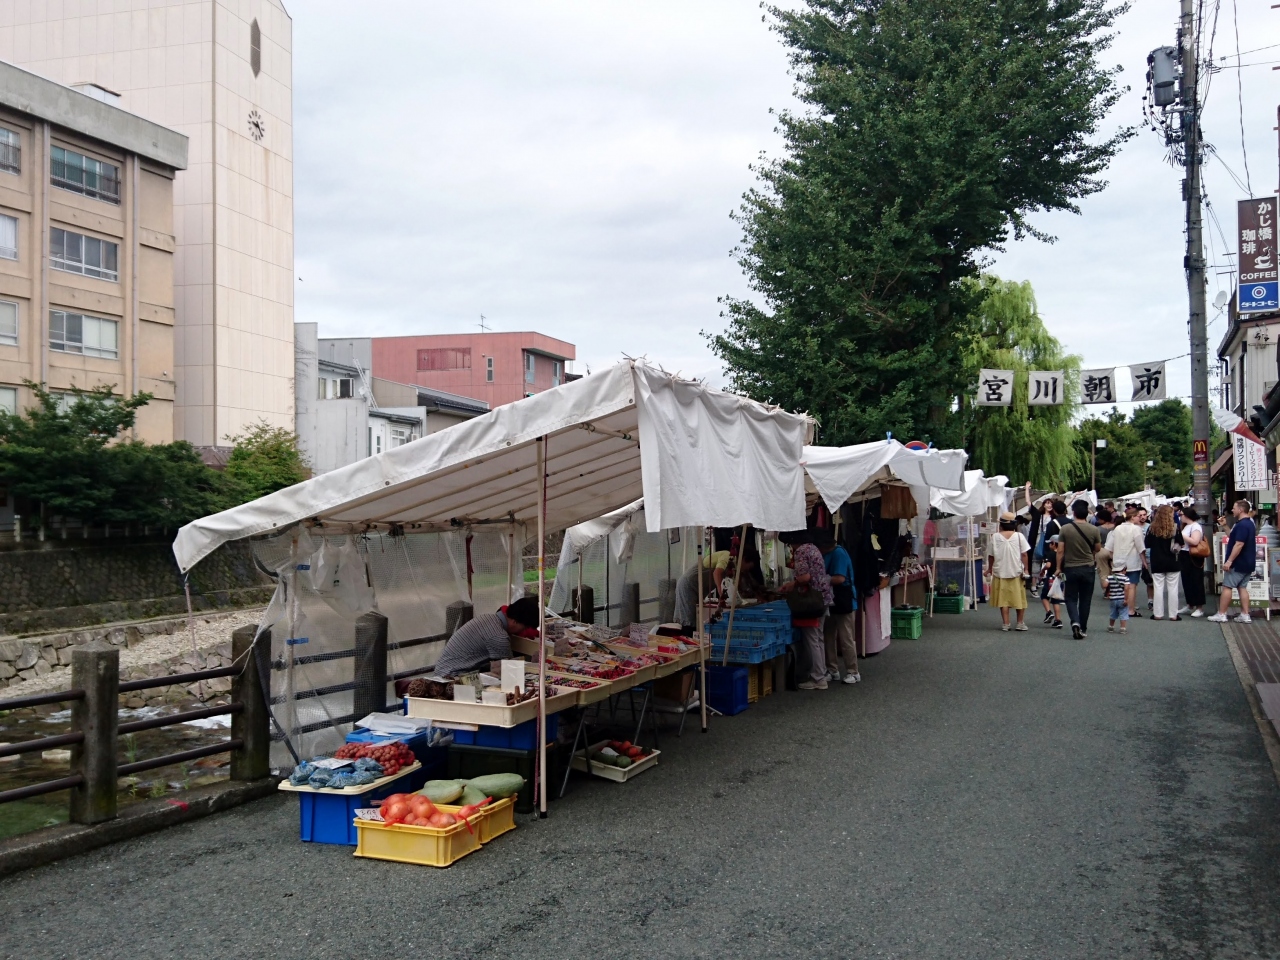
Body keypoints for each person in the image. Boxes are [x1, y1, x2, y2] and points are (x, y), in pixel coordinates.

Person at [433, 597, 542, 677]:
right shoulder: (499, 636)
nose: (523, 631)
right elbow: (509, 670)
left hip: (443, 670)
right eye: (524, 627)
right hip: (452, 676)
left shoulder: (488, 618)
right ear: (514, 621)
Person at [779, 530, 833, 690]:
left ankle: (818, 678)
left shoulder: (801, 551)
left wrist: (792, 584)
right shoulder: (813, 548)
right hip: (823, 597)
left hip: (811, 601)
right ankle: (821, 672)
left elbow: (805, 577)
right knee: (819, 637)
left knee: (812, 639)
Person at [1055, 499, 1102, 639]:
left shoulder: (1065, 529)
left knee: (1070, 598)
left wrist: (1058, 568)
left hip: (1070, 568)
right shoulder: (1094, 529)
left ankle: (1075, 621)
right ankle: (1083, 627)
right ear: (1087, 513)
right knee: (1085, 600)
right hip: (1088, 568)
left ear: (1073, 512)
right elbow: (1098, 549)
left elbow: (1060, 551)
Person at [818, 532, 860, 684]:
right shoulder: (829, 553)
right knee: (828, 636)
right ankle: (832, 669)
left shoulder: (839, 553)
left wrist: (821, 579)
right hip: (831, 599)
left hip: (844, 599)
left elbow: (839, 578)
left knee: (846, 637)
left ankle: (853, 671)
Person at [1209, 499, 1257, 623]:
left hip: (1238, 562)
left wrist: (1229, 561)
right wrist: (1224, 526)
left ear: (1240, 510)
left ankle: (1222, 614)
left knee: (1227, 587)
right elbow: (1233, 537)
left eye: (1234, 508)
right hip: (1248, 562)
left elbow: (1239, 544)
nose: (1232, 510)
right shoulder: (1249, 523)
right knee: (1242, 588)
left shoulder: (1242, 525)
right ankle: (1245, 614)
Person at [985, 511, 1031, 631]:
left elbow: (991, 555)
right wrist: (1026, 569)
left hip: (1000, 571)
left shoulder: (995, 537)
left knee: (1003, 599)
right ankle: (1020, 623)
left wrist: (989, 568)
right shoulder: (1019, 536)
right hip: (1016, 571)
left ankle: (1006, 623)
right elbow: (1024, 554)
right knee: (1020, 598)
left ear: (1001, 524)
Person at [674, 545, 733, 631]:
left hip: (697, 589)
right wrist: (722, 595)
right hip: (688, 585)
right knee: (689, 620)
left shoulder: (733, 568)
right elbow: (716, 573)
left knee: (697, 620)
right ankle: (687, 638)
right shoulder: (727, 556)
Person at [1107, 508, 1148, 619]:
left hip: (1118, 561)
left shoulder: (1117, 528)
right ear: (1133, 517)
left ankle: (1118, 609)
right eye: (1138, 516)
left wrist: (1113, 558)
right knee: (1132, 585)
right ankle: (1130, 609)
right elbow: (1140, 547)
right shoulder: (1136, 529)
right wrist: (1144, 561)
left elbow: (1109, 546)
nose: (1140, 518)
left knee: (1119, 586)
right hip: (1132, 560)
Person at [1145, 504, 1182, 621]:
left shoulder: (1152, 528)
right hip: (1173, 561)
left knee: (1158, 587)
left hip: (1157, 560)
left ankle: (1158, 614)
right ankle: (1173, 615)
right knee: (1173, 588)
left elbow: (1147, 544)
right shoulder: (1175, 528)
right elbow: (1181, 543)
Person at [1178, 506, 1207, 617]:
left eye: (1181, 515)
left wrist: (1182, 535)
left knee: (1196, 580)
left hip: (1193, 555)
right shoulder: (1186, 526)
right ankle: (1190, 604)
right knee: (1186, 580)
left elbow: (1195, 541)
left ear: (1187, 515)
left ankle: (1199, 607)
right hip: (1184, 554)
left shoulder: (1195, 526)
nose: (1180, 517)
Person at [1105, 565, 1129, 634]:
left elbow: (1105, 585)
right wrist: (1126, 599)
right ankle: (1122, 628)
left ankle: (1111, 626)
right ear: (1123, 570)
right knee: (1123, 613)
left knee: (1113, 613)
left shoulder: (1110, 577)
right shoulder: (1125, 578)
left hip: (1113, 599)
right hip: (1122, 599)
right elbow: (1126, 589)